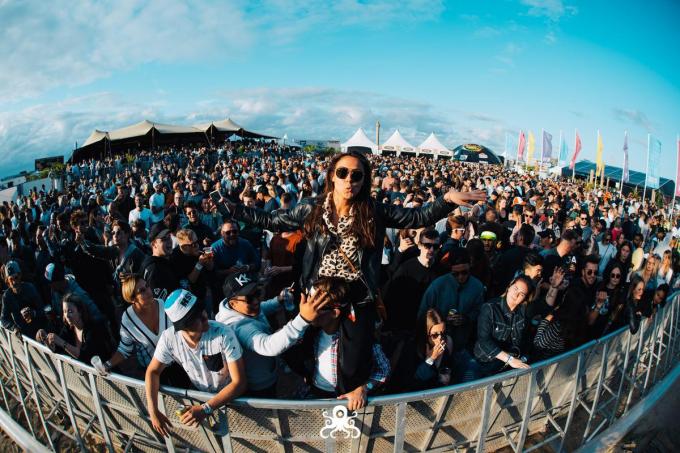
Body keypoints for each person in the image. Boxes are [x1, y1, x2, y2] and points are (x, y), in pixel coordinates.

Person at [222, 150, 485, 394]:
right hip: (319, 291)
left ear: (364, 180)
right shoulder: (311, 207)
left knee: (352, 364)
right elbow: (272, 221)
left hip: (357, 297)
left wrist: (448, 199)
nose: (350, 180)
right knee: (303, 349)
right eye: (343, 173)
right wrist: (234, 209)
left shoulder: (373, 211)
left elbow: (416, 218)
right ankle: (313, 390)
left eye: (357, 175)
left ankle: (350, 399)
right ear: (332, 177)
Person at [145, 289, 246, 437]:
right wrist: (153, 410)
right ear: (182, 326)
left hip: (231, 400)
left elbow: (240, 382)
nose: (204, 316)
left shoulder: (223, 333)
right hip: (200, 397)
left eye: (202, 309)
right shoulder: (169, 339)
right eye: (195, 317)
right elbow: (152, 371)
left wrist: (205, 409)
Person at [215, 273, 330, 397]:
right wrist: (303, 319)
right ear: (233, 303)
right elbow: (267, 346)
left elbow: (262, 308)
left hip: (265, 371)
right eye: (249, 298)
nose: (256, 301)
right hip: (259, 384)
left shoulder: (239, 309)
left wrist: (278, 300)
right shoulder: (238, 327)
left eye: (257, 293)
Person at [285, 278, 390, 411]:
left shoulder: (360, 335)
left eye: (315, 306)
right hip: (313, 396)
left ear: (334, 313)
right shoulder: (306, 332)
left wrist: (362, 389)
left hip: (346, 403)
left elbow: (383, 369)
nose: (307, 309)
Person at [91, 275, 168, 378]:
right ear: (132, 299)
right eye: (142, 291)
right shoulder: (128, 320)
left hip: (178, 363)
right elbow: (124, 350)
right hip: (155, 373)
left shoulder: (164, 304)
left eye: (147, 286)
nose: (149, 291)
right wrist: (106, 365)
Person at [418, 248, 484, 351]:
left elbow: (480, 311)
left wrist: (467, 318)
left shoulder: (477, 286)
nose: (460, 277)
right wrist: (441, 320)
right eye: (456, 274)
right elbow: (422, 314)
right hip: (438, 345)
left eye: (464, 272)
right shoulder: (437, 286)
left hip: (463, 344)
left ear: (470, 267)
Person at [383, 228, 445, 333]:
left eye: (435, 246)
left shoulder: (440, 271)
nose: (431, 250)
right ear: (420, 245)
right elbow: (391, 298)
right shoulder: (406, 269)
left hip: (429, 327)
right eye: (427, 245)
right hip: (405, 325)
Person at [473, 275, 534, 376]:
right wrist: (510, 359)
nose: (516, 294)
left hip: (509, 364)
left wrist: (523, 358)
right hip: (485, 362)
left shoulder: (523, 312)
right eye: (515, 288)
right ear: (509, 286)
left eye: (522, 294)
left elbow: (526, 339)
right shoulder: (490, 308)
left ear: (525, 299)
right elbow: (484, 340)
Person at [388, 308, 453, 392]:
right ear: (424, 333)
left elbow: (449, 369)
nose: (440, 339)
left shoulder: (445, 347)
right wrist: (430, 360)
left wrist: (444, 379)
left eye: (443, 333)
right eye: (435, 335)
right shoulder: (410, 348)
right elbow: (408, 383)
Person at [37, 293, 112, 364]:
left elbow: (86, 356)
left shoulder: (93, 328)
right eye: (65, 311)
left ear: (80, 312)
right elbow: (56, 349)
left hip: (105, 373)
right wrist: (45, 339)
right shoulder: (69, 328)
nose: (67, 315)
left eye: (70, 311)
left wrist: (62, 342)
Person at [1, 261, 49, 339]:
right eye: (11, 279)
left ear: (20, 275)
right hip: (23, 335)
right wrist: (13, 328)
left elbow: (42, 309)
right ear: (7, 281)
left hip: (39, 330)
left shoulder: (30, 288)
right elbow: (3, 319)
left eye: (16, 278)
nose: (14, 282)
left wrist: (33, 313)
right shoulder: (7, 296)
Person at [211, 220, 260, 286]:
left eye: (234, 231)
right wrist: (228, 271)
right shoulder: (215, 248)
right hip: (225, 285)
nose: (232, 234)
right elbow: (213, 272)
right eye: (228, 232)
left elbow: (257, 262)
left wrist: (247, 267)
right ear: (222, 233)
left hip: (245, 283)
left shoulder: (246, 243)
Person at [142, 224, 182, 301]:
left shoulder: (166, 260)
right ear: (154, 244)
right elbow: (157, 304)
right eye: (164, 239)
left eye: (169, 237)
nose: (169, 241)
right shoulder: (153, 270)